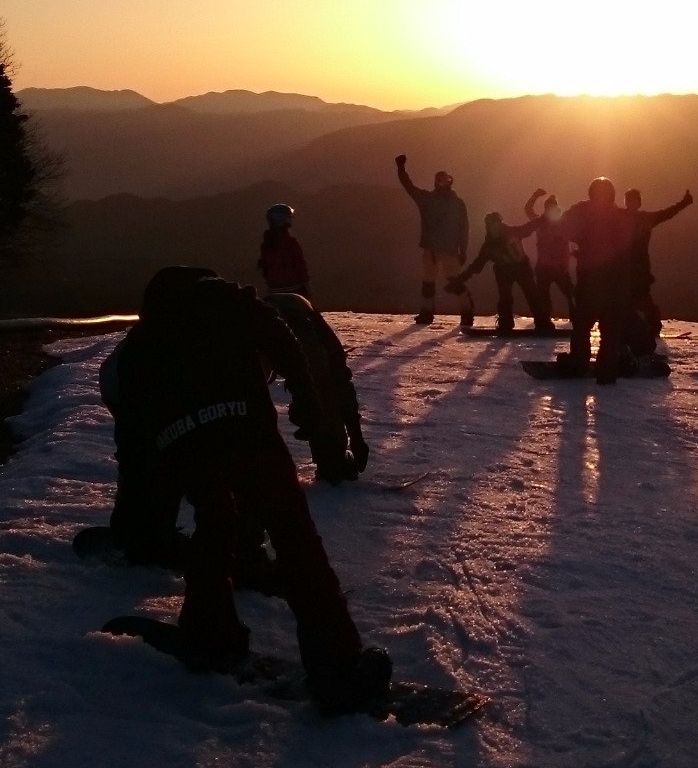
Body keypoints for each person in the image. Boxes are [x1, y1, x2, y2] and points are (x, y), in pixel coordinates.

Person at [111, 267, 391, 710]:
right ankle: (337, 666)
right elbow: (283, 340)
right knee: (293, 534)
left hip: (181, 435)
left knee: (214, 518)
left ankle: (208, 633)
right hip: (246, 426)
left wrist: (139, 522)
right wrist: (308, 406)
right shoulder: (231, 301)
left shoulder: (138, 350)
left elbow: (136, 451)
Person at [253, 204, 369, 482]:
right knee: (321, 385)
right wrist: (356, 436)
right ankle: (332, 458)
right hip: (293, 316)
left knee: (246, 383)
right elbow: (339, 382)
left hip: (265, 314)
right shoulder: (316, 331)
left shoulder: (266, 245)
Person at [561, 178, 637, 382]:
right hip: (611, 285)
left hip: (595, 285)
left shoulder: (585, 214)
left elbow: (564, 228)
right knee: (607, 330)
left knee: (586, 326)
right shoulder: (619, 217)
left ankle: (580, 364)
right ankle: (605, 369)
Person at [396, 154, 472, 328]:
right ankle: (460, 312)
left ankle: (437, 312)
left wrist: (401, 168)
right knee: (436, 281)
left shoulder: (431, 200)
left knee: (444, 281)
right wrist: (463, 249)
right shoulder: (454, 203)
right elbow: (464, 228)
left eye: (442, 180)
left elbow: (464, 227)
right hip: (441, 249)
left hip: (438, 248)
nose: (441, 183)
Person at [449, 212, 543, 334]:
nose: (494, 228)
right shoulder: (489, 245)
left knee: (531, 295)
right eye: (491, 226)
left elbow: (530, 226)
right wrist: (460, 279)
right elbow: (477, 265)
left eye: (495, 225)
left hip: (521, 269)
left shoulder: (511, 232)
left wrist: (544, 218)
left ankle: (541, 321)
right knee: (506, 298)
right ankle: (506, 322)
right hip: (505, 272)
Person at [623, 186, 693, 348]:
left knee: (643, 301)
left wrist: (683, 203)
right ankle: (635, 329)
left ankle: (652, 330)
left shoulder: (644, 219)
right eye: (629, 201)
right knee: (631, 301)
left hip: (639, 270)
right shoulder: (620, 217)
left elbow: (667, 213)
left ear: (638, 203)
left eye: (633, 201)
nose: (631, 204)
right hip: (625, 269)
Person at [522, 190, 574, 327]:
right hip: (545, 267)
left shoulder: (563, 223)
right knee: (545, 296)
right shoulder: (540, 222)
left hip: (557, 267)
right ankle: (544, 320)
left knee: (570, 294)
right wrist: (534, 196)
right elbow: (528, 209)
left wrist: (564, 264)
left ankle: (576, 318)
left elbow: (566, 247)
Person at [258, 201, 311, 295]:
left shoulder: (266, 244)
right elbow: (300, 266)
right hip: (295, 290)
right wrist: (306, 287)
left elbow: (265, 268)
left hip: (274, 290)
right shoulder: (291, 243)